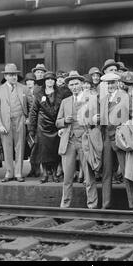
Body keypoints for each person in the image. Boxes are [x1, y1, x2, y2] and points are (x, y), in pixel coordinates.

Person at [56, 71, 98, 209]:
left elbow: (95, 120)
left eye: (76, 84)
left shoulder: (90, 99)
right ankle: (65, 205)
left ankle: (92, 205)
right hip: (69, 141)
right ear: (68, 87)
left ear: (81, 85)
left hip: (85, 140)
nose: (74, 87)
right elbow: (57, 122)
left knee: (88, 176)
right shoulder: (65, 101)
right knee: (67, 177)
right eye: (71, 85)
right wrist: (64, 121)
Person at [99, 72, 133, 210]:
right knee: (107, 173)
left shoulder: (126, 97)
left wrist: (127, 126)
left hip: (121, 138)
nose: (110, 85)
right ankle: (106, 205)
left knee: (127, 172)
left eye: (112, 82)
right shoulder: (103, 99)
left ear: (118, 83)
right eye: (108, 83)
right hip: (107, 139)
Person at [0, 63, 31, 182]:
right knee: (7, 148)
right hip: (5, 123)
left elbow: (32, 105)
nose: (13, 77)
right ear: (5, 76)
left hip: (20, 120)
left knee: (20, 148)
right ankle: (9, 173)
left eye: (15, 74)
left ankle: (18, 173)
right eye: (10, 75)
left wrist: (28, 117)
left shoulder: (24, 88)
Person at [28, 71, 62, 183]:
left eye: (52, 79)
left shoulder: (60, 94)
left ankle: (55, 174)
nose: (50, 81)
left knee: (55, 151)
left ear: (55, 81)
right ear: (44, 81)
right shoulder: (39, 94)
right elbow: (33, 112)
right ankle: (46, 174)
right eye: (48, 79)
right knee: (43, 152)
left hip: (55, 126)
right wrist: (31, 129)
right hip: (42, 127)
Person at [23, 72, 41, 178]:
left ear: (34, 82)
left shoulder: (38, 90)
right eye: (27, 81)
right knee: (30, 146)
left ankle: (37, 169)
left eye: (31, 80)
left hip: (37, 122)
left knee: (36, 146)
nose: (29, 82)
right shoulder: (24, 91)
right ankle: (33, 169)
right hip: (27, 123)